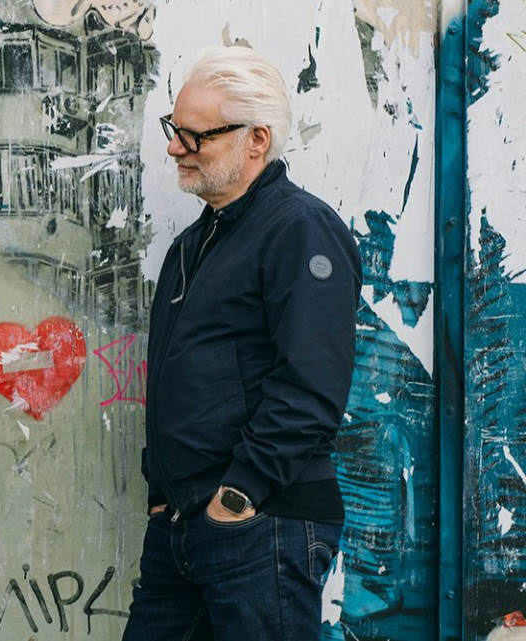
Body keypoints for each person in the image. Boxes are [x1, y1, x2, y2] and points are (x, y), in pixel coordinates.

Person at [123, 46, 361, 641]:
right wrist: (163, 495)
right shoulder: (191, 246)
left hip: (261, 524)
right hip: (183, 525)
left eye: (195, 135)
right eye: (173, 130)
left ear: (256, 140)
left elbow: (311, 386)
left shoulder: (298, 229)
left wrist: (239, 496)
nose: (176, 147)